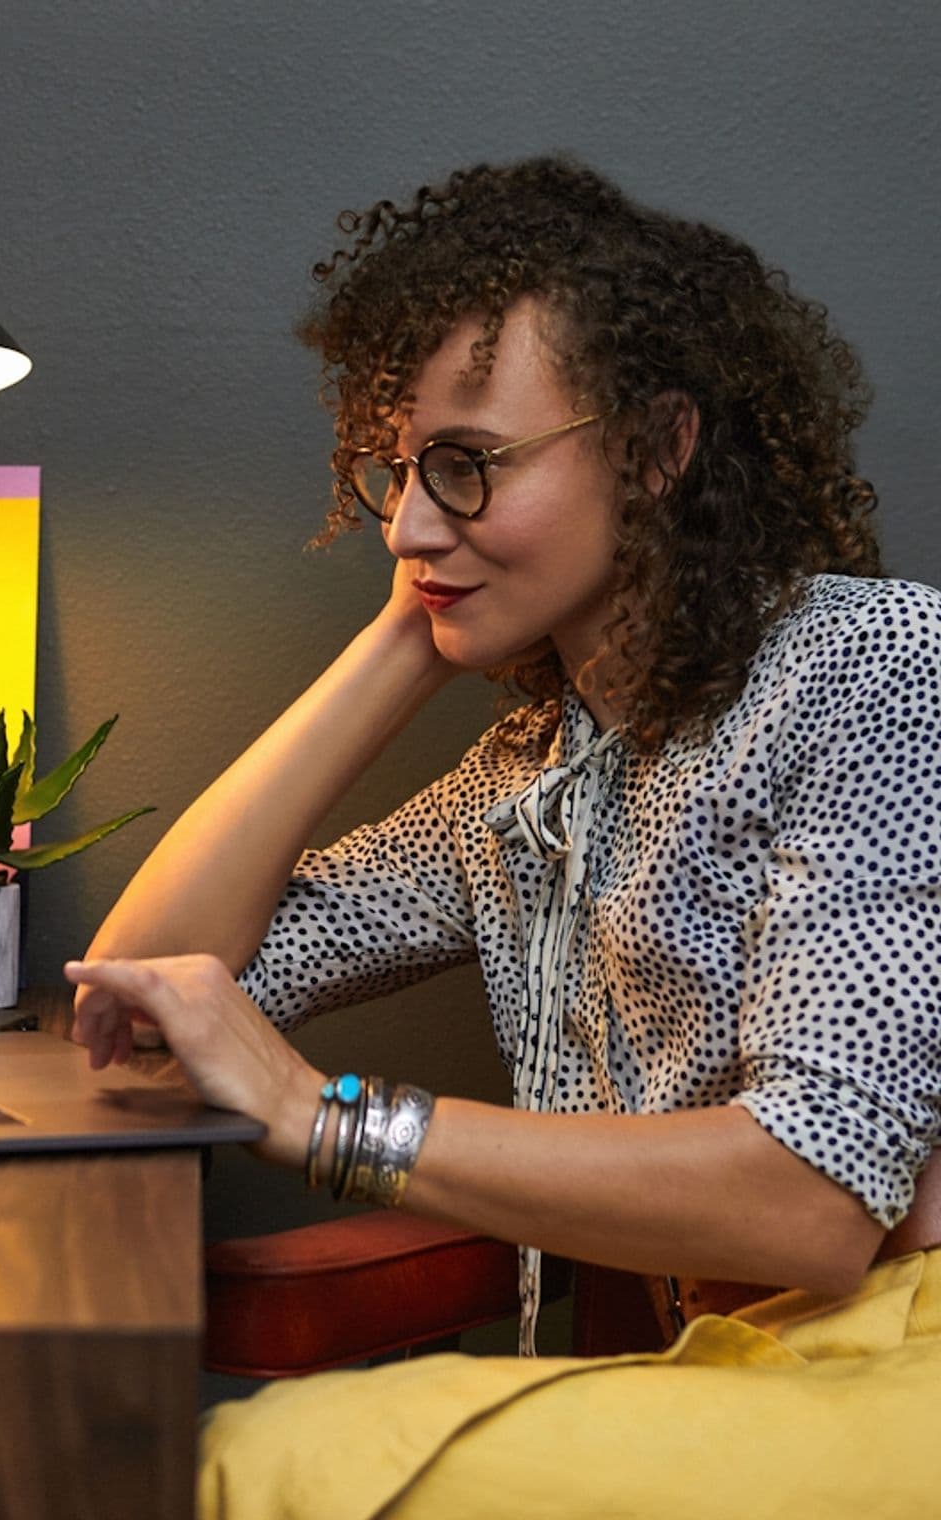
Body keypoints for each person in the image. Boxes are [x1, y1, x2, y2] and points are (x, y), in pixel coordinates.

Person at [64, 157, 941, 1518]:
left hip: (905, 1358)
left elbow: (815, 1200)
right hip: (739, 1369)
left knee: (265, 1463)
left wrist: (322, 1116)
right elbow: (140, 989)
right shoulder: (526, 780)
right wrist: (400, 641)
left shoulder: (876, 670)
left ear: (656, 450)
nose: (409, 522)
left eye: (467, 468)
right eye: (398, 473)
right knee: (240, 1456)